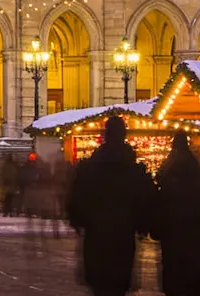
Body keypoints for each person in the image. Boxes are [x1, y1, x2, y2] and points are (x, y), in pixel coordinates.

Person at [67, 116, 157, 296]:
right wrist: (143, 226)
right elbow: (147, 201)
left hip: (96, 237)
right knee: (118, 285)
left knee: (99, 286)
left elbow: (76, 201)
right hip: (123, 237)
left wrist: (80, 221)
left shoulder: (90, 169)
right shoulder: (134, 170)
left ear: (105, 135)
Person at [153, 132, 200, 296]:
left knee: (174, 270)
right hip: (193, 230)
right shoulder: (194, 167)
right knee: (191, 273)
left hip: (172, 230)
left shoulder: (168, 167)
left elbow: (160, 193)